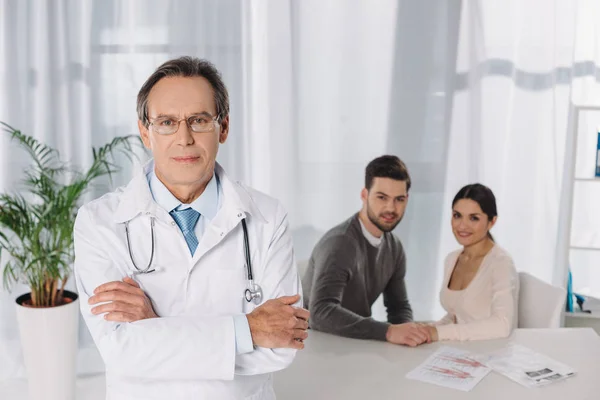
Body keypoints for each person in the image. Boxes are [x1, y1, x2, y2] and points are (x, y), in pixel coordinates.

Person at [73, 56, 309, 400]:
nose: (183, 138)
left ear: (223, 127)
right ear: (145, 132)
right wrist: (249, 330)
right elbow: (120, 350)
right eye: (167, 122)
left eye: (198, 120)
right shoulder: (100, 223)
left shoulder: (268, 217)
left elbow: (283, 347)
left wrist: (155, 329)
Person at [302, 155, 431, 347]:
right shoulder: (340, 244)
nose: (391, 208)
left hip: (356, 344)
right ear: (364, 195)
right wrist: (388, 331)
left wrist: (409, 333)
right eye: (382, 197)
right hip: (317, 344)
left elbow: (398, 307)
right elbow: (320, 314)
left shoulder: (394, 247)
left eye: (399, 199)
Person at [424, 183, 519, 341]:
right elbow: (458, 316)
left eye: (474, 218)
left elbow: (502, 325)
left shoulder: (501, 263)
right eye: (457, 215)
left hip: (492, 354)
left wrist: (438, 333)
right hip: (461, 351)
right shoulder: (452, 259)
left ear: (492, 222)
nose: (462, 225)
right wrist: (429, 329)